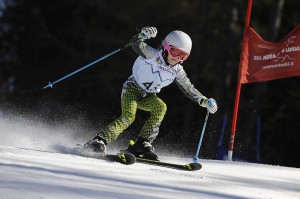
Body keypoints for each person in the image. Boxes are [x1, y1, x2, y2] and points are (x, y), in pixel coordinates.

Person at [85, 27, 218, 160]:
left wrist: (204, 101)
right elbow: (136, 44)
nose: (177, 58)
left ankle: (142, 144)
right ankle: (99, 140)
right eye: (175, 52)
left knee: (161, 107)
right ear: (166, 47)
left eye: (183, 56)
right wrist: (142, 35)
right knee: (129, 116)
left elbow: (188, 88)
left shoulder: (177, 70)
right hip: (132, 88)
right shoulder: (153, 55)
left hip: (148, 95)